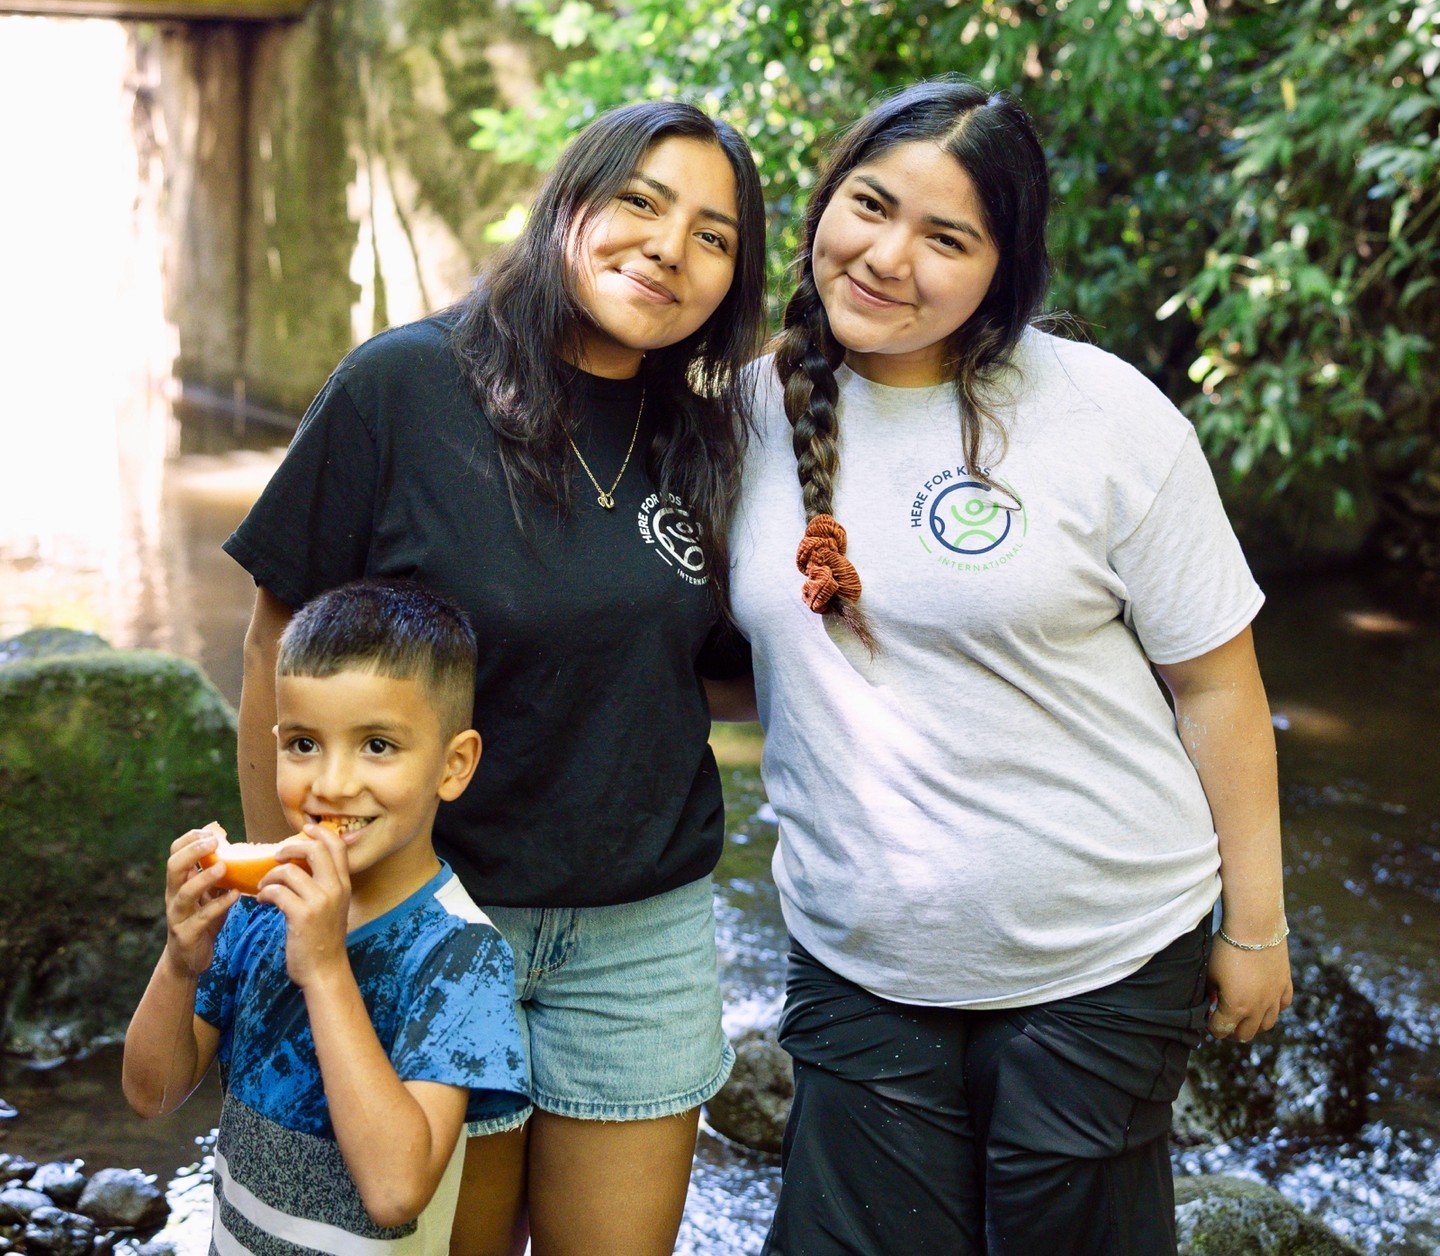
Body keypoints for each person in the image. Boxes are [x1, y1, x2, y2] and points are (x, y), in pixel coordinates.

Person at [728, 77, 1293, 1255]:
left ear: (1005, 268)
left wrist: (1256, 927)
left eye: (947, 238)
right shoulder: (746, 414)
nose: (888, 258)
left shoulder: (1103, 415)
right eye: (869, 206)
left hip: (1100, 956)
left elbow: (1217, 685)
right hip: (858, 951)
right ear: (826, 202)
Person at [222, 100, 767, 1256]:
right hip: (426, 913)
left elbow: (723, 670)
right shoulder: (405, 387)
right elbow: (278, 641)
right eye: (640, 203)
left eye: (714, 235)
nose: (670, 248)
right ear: (569, 203)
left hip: (639, 936)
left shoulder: (711, 437)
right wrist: (290, 881)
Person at [122, 579, 528, 1256]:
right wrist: (180, 962)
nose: (333, 784)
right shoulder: (257, 911)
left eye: (378, 746)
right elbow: (151, 1094)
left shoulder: (461, 955)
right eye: (305, 745)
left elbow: (396, 1191)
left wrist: (325, 969)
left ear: (453, 765)